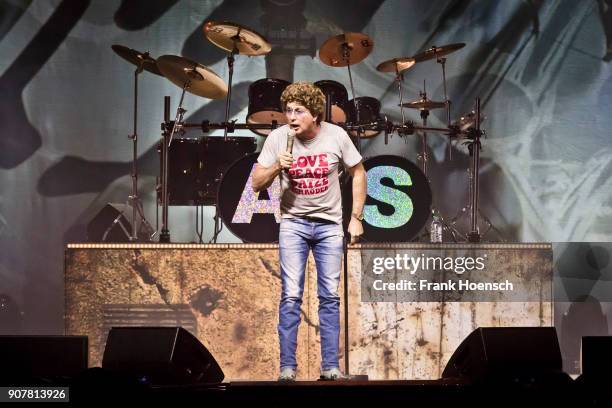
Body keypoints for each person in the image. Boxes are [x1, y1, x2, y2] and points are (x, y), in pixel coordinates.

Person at [252, 82, 367, 381]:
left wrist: (355, 217)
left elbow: (358, 171)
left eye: (299, 111)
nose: (291, 116)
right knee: (291, 297)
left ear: (315, 114)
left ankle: (330, 367)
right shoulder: (278, 139)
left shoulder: (336, 136)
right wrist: (278, 165)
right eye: (288, 110)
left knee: (329, 298)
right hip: (293, 225)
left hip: (329, 226)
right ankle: (287, 368)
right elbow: (256, 183)